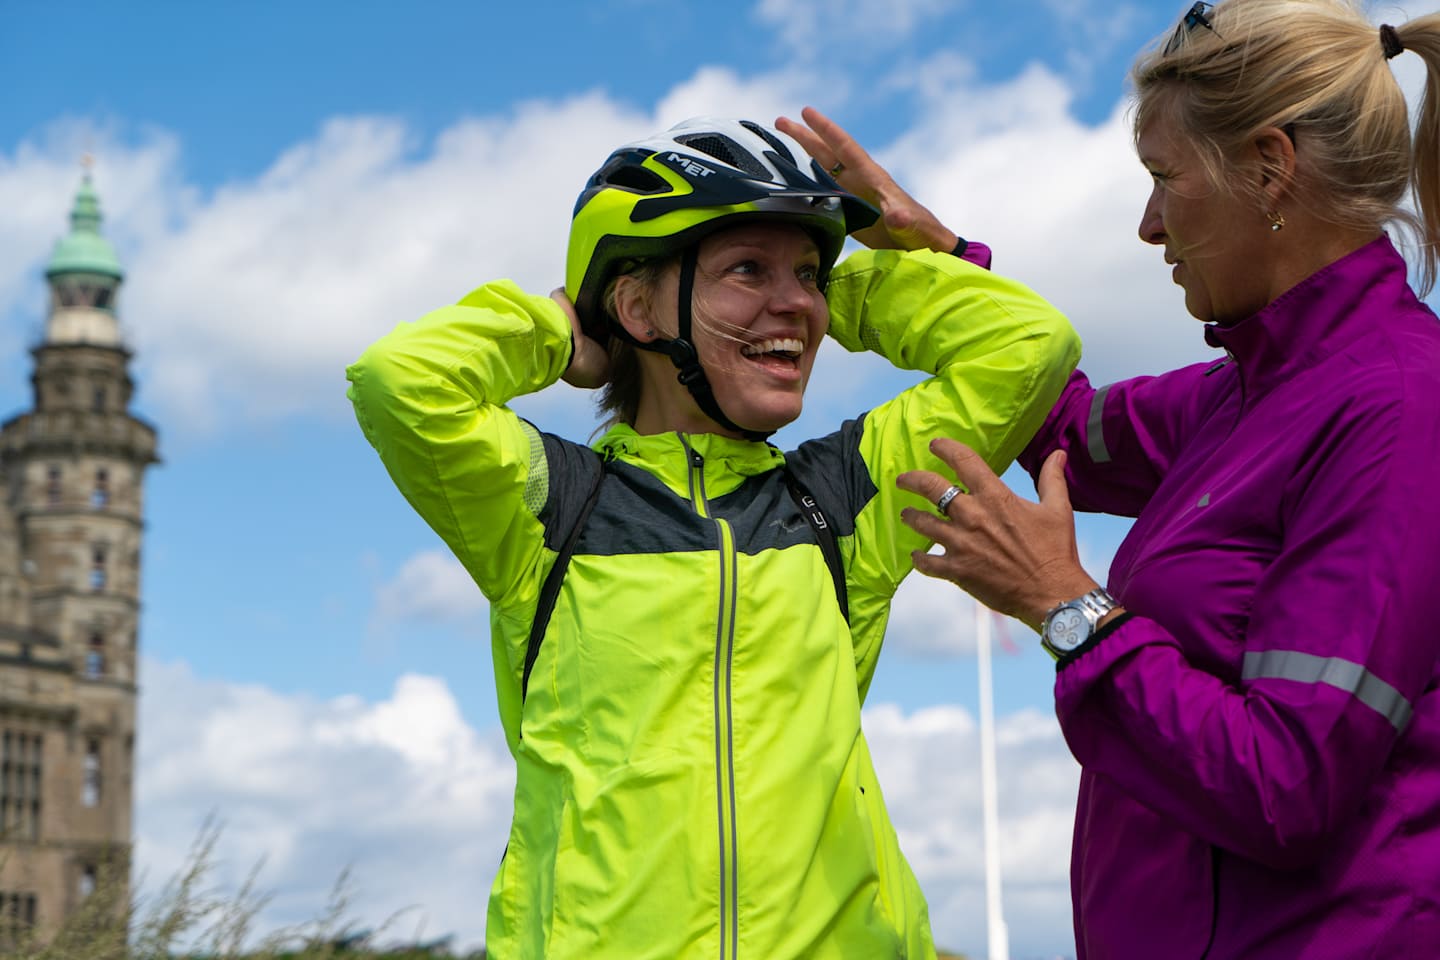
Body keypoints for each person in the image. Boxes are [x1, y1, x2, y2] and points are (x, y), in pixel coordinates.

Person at [794, 1, 1440, 956]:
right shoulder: (1244, 393)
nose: (1147, 226)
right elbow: (1059, 423)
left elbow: (1288, 786)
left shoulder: (1398, 409)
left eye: (1163, 178)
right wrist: (936, 262)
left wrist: (1066, 607)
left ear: (1269, 167)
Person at [346, 117, 1079, 958]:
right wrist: (560, 327)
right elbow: (400, 382)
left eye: (807, 273)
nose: (796, 300)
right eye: (747, 270)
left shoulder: (844, 499)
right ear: (636, 306)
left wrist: (844, 294)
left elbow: (1030, 343)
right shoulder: (551, 506)